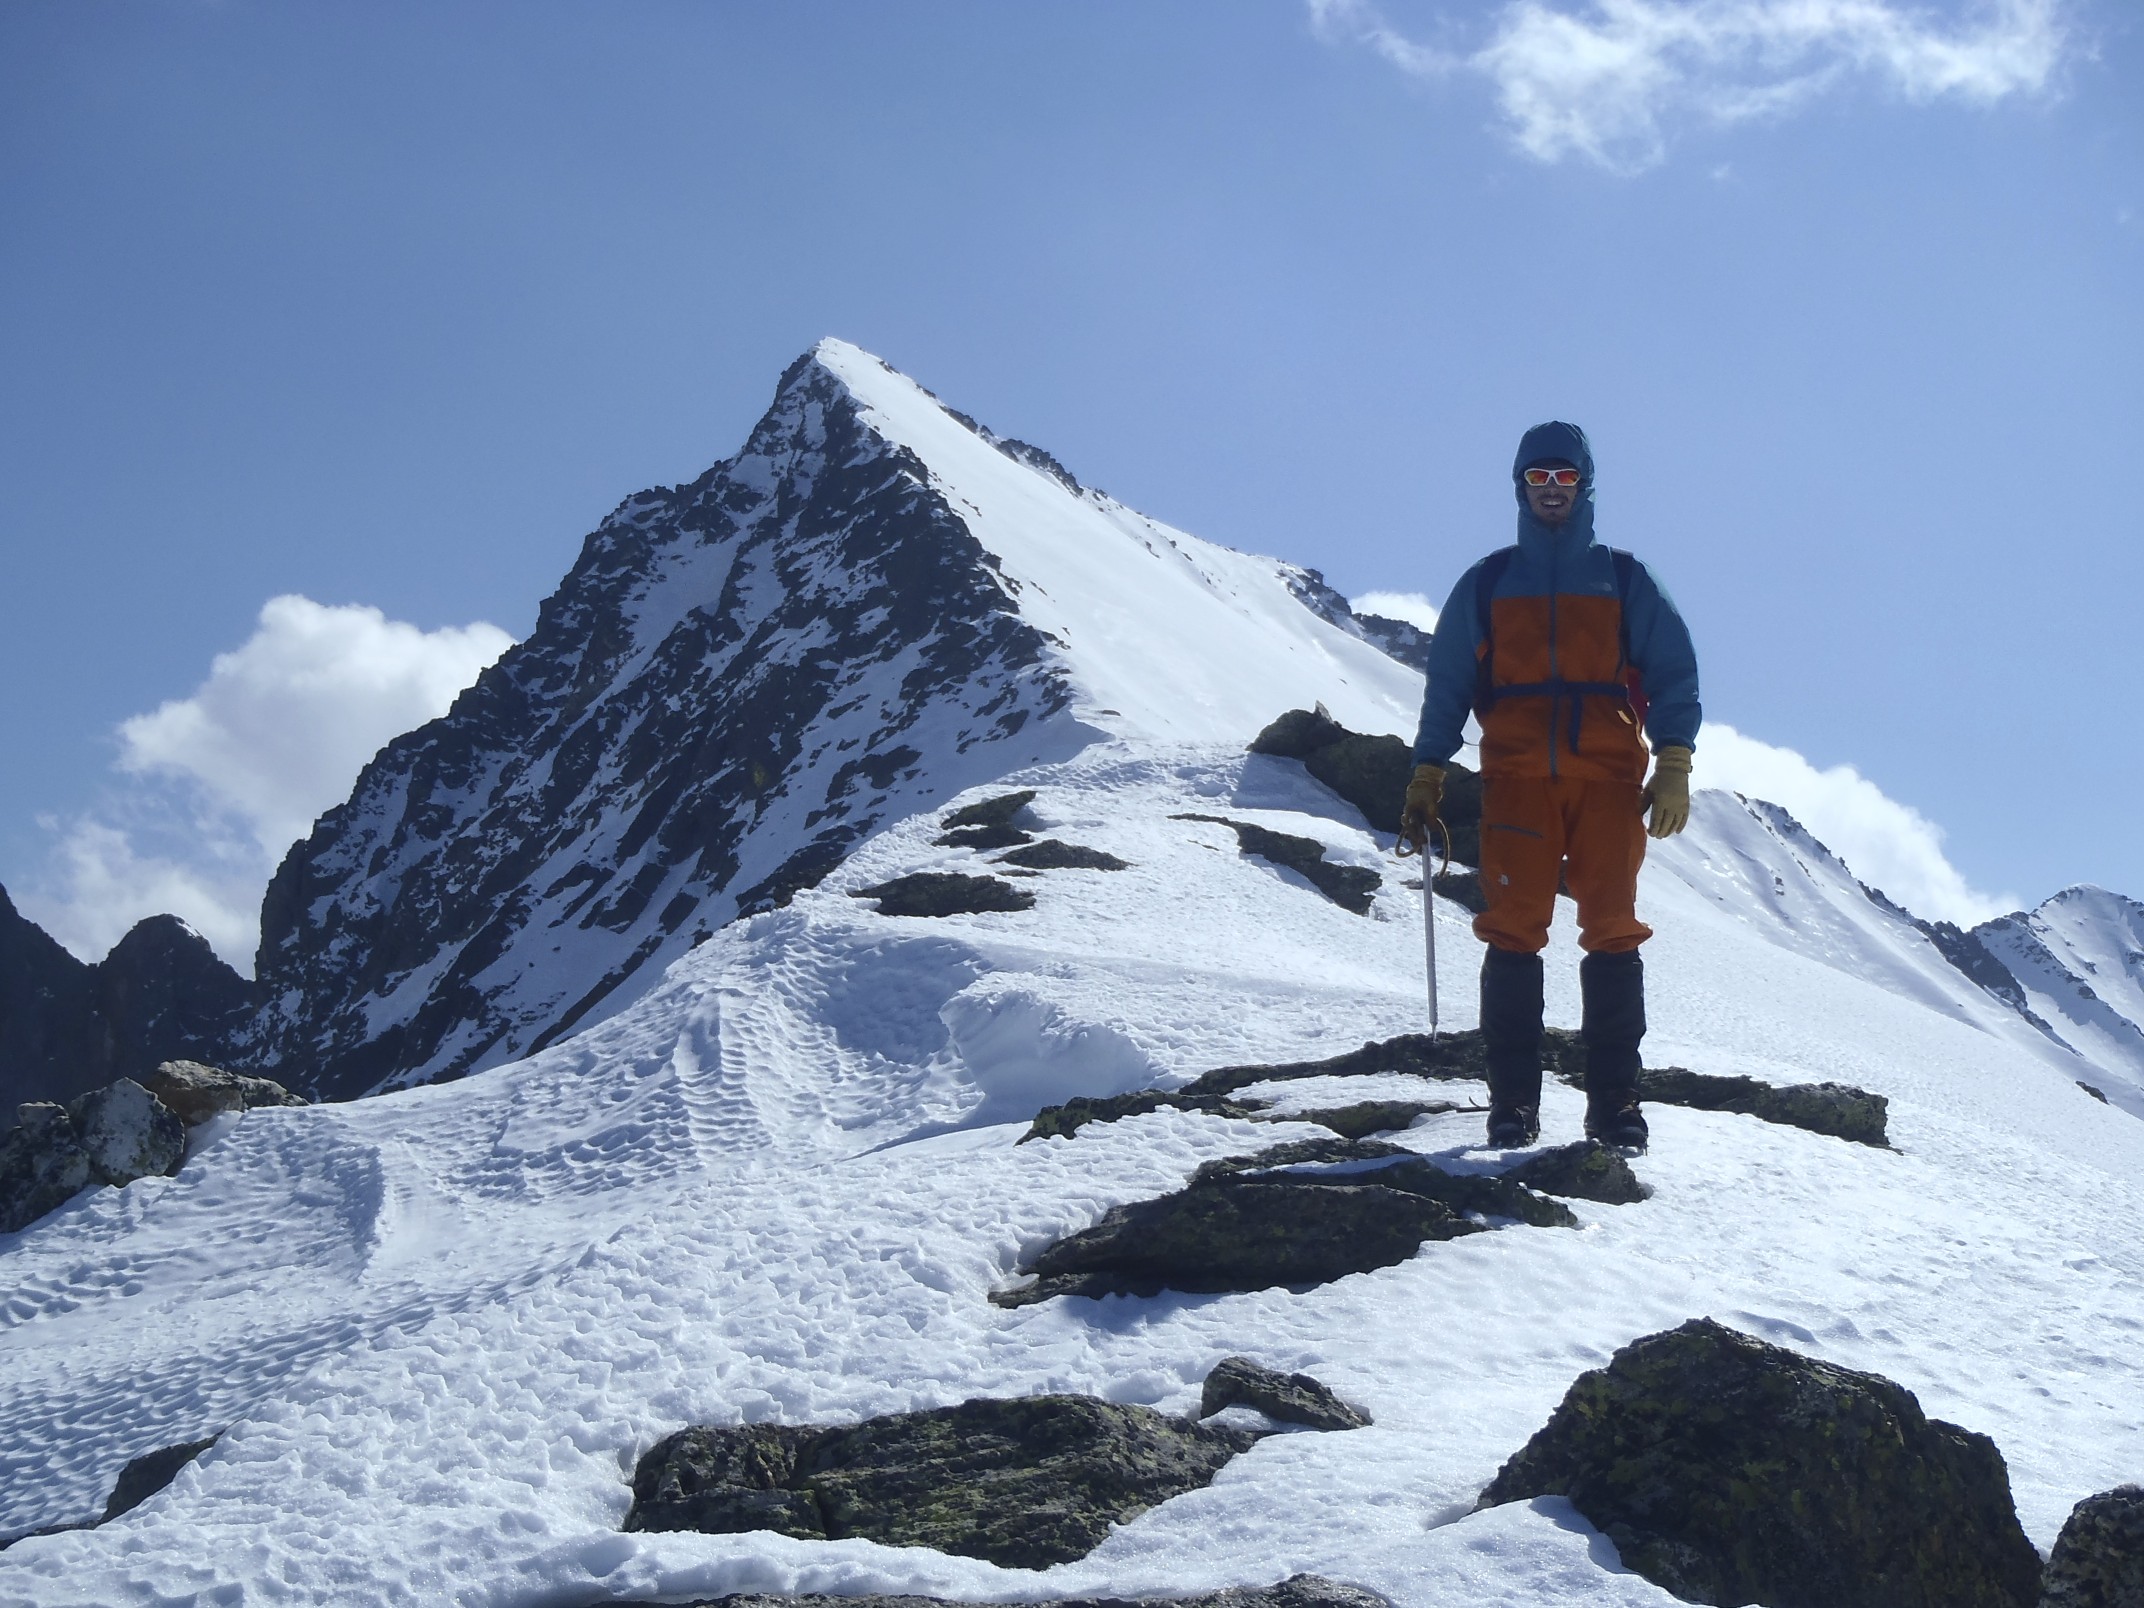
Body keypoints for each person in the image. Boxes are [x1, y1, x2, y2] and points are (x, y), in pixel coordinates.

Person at [1399, 421, 1700, 1151]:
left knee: (1613, 930)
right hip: (1518, 783)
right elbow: (1449, 685)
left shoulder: (1624, 579)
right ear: (1520, 487)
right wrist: (1428, 770)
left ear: (1585, 484)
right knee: (1513, 932)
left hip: (1608, 783)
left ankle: (1615, 1105)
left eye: (1565, 476)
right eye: (1539, 477)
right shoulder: (1489, 582)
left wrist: (1674, 763)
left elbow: (1673, 671)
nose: (1552, 489)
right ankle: (1512, 1106)